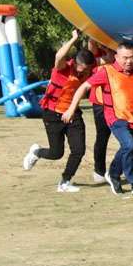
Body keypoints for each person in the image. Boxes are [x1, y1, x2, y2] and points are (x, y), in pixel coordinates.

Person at [61, 41, 133, 197]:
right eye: (125, 58)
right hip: (116, 118)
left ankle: (113, 174)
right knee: (129, 145)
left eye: (132, 57)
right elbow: (84, 87)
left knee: (128, 148)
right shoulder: (107, 71)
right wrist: (72, 108)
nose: (129, 61)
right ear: (116, 56)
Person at [22, 29, 94, 192]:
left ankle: (64, 182)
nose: (82, 71)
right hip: (52, 113)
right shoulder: (63, 67)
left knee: (79, 150)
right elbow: (58, 56)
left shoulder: (88, 70)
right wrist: (73, 39)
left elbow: (95, 55)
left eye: (86, 68)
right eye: (81, 67)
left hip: (72, 113)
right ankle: (37, 152)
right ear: (75, 61)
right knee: (56, 153)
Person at [87, 39, 115, 185]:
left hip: (119, 102)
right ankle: (99, 171)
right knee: (102, 136)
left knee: (128, 137)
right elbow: (91, 46)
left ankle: (125, 168)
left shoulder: (120, 52)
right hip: (100, 103)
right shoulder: (97, 55)